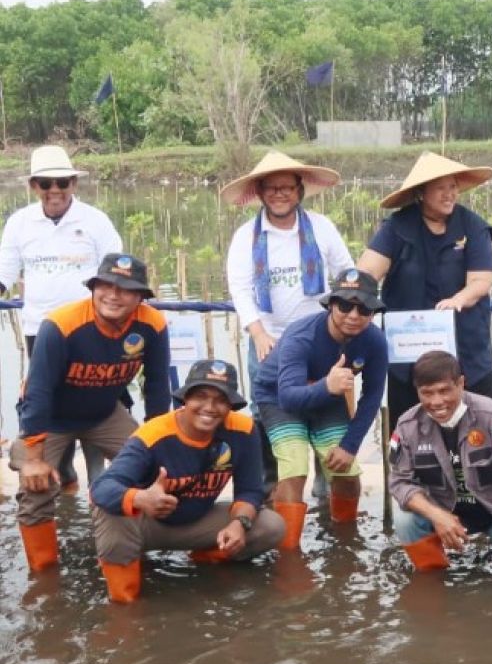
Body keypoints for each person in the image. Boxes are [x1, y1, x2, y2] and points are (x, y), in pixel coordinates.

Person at [12, 253, 170, 572]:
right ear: (93, 287)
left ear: (141, 296)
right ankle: (43, 574)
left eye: (125, 289)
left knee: (155, 469)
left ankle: (134, 547)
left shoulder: (152, 323)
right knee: (36, 488)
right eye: (106, 285)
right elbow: (38, 391)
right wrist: (33, 456)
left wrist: (160, 439)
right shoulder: (61, 324)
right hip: (52, 417)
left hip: (104, 412)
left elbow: (156, 385)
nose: (113, 295)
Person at [89, 359, 285, 602]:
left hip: (196, 520)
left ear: (230, 405)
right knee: (112, 510)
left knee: (271, 525)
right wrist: (141, 498)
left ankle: (203, 559)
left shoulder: (244, 430)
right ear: (185, 399)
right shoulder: (153, 434)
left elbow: (251, 491)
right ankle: (123, 600)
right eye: (200, 396)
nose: (210, 407)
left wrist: (239, 524)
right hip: (146, 523)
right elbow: (100, 489)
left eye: (221, 399)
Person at [222, 150, 354, 498]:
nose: (279, 194)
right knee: (267, 411)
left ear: (299, 190)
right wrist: (259, 332)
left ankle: (327, 486)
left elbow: (345, 274)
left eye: (286, 187)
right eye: (271, 188)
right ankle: (268, 489)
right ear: (260, 193)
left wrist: (341, 324)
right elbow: (240, 287)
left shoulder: (322, 228)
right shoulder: (245, 237)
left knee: (328, 401)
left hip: (320, 338)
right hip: (270, 339)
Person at [0, 145, 123, 486]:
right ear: (33, 186)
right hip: (40, 329)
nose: (54, 190)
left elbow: (117, 271)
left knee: (99, 394)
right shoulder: (18, 223)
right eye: (45, 183)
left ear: (73, 184)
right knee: (45, 397)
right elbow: (4, 273)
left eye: (62, 183)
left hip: (92, 328)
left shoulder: (95, 221)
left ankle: (100, 479)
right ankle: (65, 471)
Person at [357, 151, 492, 432]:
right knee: (409, 428)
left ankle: (482, 474)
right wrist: (358, 307)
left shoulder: (473, 226)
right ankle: (409, 474)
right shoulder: (396, 227)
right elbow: (365, 275)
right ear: (421, 192)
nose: (449, 195)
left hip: (465, 344)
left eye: (453, 187)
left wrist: (458, 299)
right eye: (440, 188)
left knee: (481, 427)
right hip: (409, 348)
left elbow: (481, 281)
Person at [253, 269, 388, 549]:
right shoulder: (301, 336)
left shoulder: (374, 340)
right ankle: (287, 549)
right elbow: (288, 396)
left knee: (347, 472)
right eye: (345, 306)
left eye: (363, 308)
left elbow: (373, 395)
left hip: (328, 399)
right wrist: (327, 385)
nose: (353, 315)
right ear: (331, 305)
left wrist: (350, 445)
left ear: (373, 312)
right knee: (295, 466)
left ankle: (346, 540)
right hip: (279, 399)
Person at [389, 351, 492, 575]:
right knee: (404, 518)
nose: (436, 402)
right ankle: (433, 573)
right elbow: (399, 482)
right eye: (427, 393)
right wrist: (438, 516)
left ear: (461, 383)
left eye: (445, 391)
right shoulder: (407, 425)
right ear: (417, 392)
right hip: (445, 509)